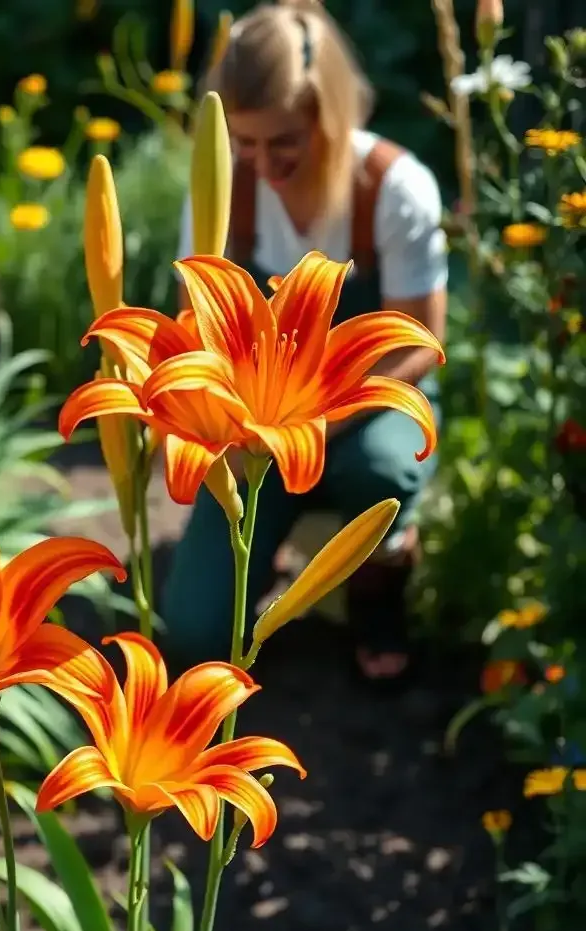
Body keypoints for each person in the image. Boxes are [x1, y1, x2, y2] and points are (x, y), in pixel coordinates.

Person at [161, 0, 448, 683]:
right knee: (195, 634)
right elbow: (190, 329)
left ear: (331, 115)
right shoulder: (225, 185)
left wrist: (310, 423)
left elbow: (423, 340)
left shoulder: (394, 188)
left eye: (283, 140)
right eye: (245, 142)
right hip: (249, 428)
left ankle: (377, 593)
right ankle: (270, 547)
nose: (260, 163)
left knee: (387, 470)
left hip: (355, 406)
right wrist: (226, 436)